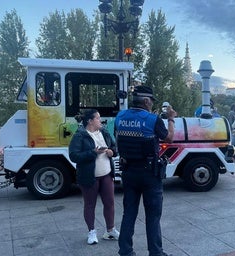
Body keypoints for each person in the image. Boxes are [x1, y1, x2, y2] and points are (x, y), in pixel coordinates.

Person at [115, 85, 176, 256]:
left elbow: (117, 138)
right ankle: (156, 253)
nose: (151, 105)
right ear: (147, 101)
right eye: (151, 102)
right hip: (149, 174)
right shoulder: (152, 119)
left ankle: (125, 251)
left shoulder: (120, 117)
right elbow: (169, 138)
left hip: (128, 172)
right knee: (153, 215)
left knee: (129, 213)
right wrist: (171, 119)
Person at [68, 109, 119, 245]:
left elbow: (115, 148)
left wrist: (111, 152)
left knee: (110, 203)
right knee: (90, 205)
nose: (100, 120)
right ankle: (92, 232)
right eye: (97, 118)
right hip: (89, 177)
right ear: (90, 121)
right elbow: (73, 156)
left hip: (106, 175)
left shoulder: (104, 132)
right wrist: (92, 153)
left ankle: (110, 230)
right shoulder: (80, 135)